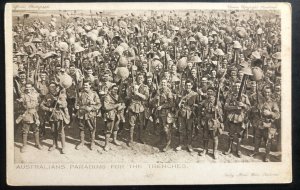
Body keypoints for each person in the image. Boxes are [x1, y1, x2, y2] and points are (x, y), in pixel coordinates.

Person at [249, 86, 280, 162]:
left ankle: (267, 155)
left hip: (269, 124)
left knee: (268, 141)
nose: (267, 93)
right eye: (265, 92)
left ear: (271, 93)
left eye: (268, 92)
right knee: (257, 138)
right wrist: (255, 109)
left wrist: (270, 113)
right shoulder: (260, 101)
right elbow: (253, 110)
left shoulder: (273, 103)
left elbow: (277, 114)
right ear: (263, 92)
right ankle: (256, 151)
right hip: (260, 123)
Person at [40, 81, 70, 154]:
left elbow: (65, 105)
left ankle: (63, 147)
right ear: (48, 88)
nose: (52, 88)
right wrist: (49, 109)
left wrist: (59, 102)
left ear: (56, 87)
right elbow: (41, 105)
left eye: (53, 86)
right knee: (53, 130)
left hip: (60, 115)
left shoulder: (61, 95)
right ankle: (54, 144)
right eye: (50, 87)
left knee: (61, 131)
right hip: (52, 116)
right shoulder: (47, 96)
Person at [224, 82, 250, 158]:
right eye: (236, 86)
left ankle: (238, 150)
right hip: (232, 117)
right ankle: (229, 148)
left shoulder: (245, 97)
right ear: (233, 87)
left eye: (239, 87)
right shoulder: (230, 96)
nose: (237, 88)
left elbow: (249, 107)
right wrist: (234, 107)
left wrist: (243, 105)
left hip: (241, 118)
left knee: (239, 135)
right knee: (231, 134)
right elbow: (225, 106)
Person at [16, 82, 42, 153]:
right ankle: (24, 145)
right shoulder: (23, 95)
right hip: (26, 114)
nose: (28, 89)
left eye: (29, 87)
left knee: (36, 129)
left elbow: (39, 101)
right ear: (25, 88)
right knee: (25, 131)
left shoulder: (36, 95)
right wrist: (19, 101)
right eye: (26, 87)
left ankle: (37, 144)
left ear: (32, 88)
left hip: (34, 114)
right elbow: (21, 100)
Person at [75, 79, 101, 150]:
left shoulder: (94, 94)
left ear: (90, 85)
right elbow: (77, 103)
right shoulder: (80, 93)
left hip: (90, 114)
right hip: (82, 113)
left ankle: (92, 143)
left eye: (86, 85)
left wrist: (92, 108)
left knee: (92, 128)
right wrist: (77, 106)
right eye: (84, 85)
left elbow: (99, 104)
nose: (84, 86)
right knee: (81, 128)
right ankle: (81, 142)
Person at [150, 78, 174, 152]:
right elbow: (154, 100)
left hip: (166, 113)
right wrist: (154, 101)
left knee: (166, 129)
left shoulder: (168, 92)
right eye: (162, 83)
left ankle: (168, 144)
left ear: (167, 84)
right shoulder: (159, 91)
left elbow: (171, 103)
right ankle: (161, 140)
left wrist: (162, 106)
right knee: (160, 128)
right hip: (159, 113)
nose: (163, 84)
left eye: (164, 83)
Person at [199, 87, 224, 159]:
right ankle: (205, 149)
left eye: (211, 91)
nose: (209, 93)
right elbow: (200, 109)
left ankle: (215, 151)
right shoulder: (205, 101)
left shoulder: (217, 101)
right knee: (205, 136)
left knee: (214, 137)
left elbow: (221, 113)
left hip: (214, 121)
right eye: (208, 91)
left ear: (213, 93)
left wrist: (217, 109)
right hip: (206, 121)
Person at [126, 73, 149, 146]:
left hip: (141, 107)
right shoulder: (132, 86)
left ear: (143, 79)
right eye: (139, 77)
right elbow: (128, 96)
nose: (140, 79)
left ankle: (140, 138)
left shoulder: (145, 87)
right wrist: (131, 91)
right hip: (133, 106)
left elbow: (146, 97)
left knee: (141, 124)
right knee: (131, 124)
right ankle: (130, 139)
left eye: (141, 78)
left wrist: (137, 93)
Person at [177, 80, 199, 152]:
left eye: (189, 85)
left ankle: (189, 144)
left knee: (189, 130)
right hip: (182, 113)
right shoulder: (181, 93)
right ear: (185, 85)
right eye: (187, 85)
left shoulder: (195, 94)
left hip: (190, 114)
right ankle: (180, 144)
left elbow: (199, 104)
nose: (188, 87)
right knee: (181, 129)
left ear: (192, 86)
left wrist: (194, 106)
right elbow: (177, 102)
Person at [103, 85, 126, 151]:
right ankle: (106, 144)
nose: (115, 91)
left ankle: (114, 140)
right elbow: (106, 107)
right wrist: (116, 105)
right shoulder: (107, 97)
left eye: (116, 90)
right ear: (111, 89)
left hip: (117, 114)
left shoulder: (118, 96)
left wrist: (122, 106)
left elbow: (123, 103)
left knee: (116, 128)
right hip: (110, 115)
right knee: (108, 129)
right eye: (114, 89)